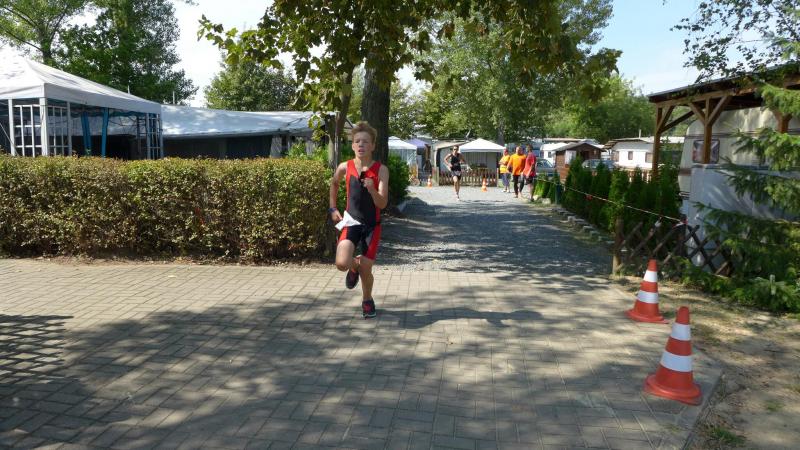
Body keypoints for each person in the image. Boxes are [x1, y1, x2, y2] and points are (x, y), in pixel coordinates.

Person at [329, 121, 390, 319]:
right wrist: (332, 208)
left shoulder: (381, 170)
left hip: (372, 226)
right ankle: (353, 266)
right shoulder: (344, 167)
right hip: (351, 222)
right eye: (357, 141)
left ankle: (367, 299)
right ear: (353, 145)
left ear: (373, 145)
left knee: (366, 268)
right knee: (341, 263)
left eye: (365, 141)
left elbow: (382, 204)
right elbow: (334, 183)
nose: (361, 144)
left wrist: (372, 189)